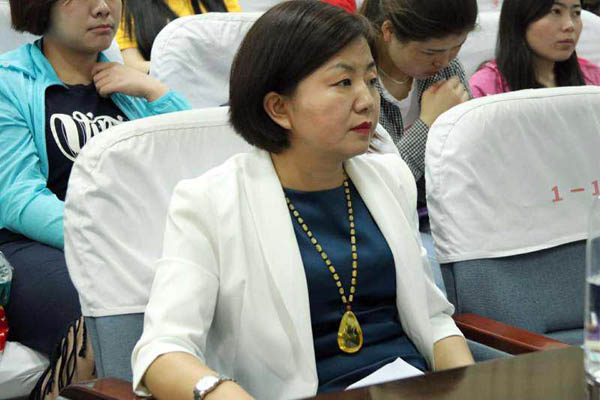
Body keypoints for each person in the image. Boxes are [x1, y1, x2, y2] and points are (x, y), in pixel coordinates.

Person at [131, 2, 473, 399]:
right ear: (279, 107)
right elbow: (163, 351)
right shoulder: (209, 203)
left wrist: (470, 388)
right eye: (343, 82)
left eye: (370, 80)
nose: (367, 100)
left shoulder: (389, 178)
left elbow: (433, 319)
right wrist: (221, 393)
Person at [0, 0, 190, 398]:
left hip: (134, 242)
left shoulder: (130, 87)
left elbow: (190, 163)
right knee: (105, 310)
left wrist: (155, 91)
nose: (103, 7)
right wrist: (107, 239)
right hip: (35, 246)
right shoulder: (8, 81)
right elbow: (17, 198)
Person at [359, 0, 477, 291]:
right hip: (381, 223)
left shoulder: (446, 71)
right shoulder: (359, 82)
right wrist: (428, 123)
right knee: (435, 278)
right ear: (388, 31)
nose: (444, 62)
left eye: (457, 48)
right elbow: (380, 185)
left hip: (446, 214)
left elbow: (470, 158)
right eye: (431, 52)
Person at [470, 0, 600, 98]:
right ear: (520, 19)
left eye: (576, 13)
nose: (570, 25)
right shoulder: (486, 88)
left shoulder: (592, 76)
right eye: (556, 11)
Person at [116, 0, 242, 73]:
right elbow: (133, 65)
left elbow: (243, 41)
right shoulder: (125, 6)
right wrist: (189, 67)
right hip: (169, 91)